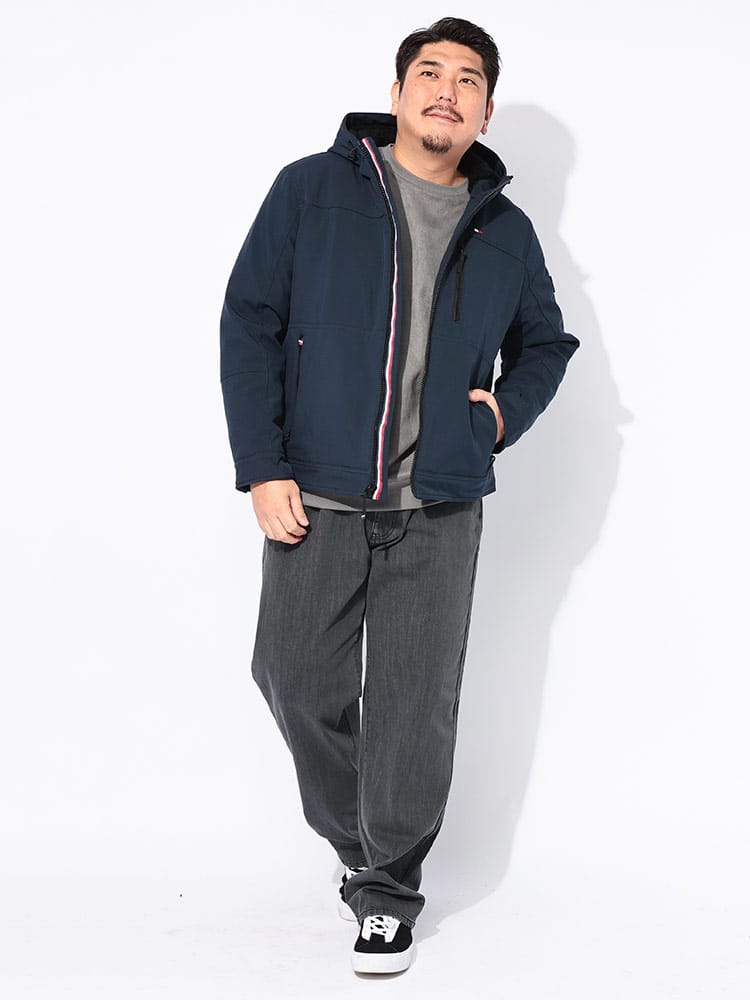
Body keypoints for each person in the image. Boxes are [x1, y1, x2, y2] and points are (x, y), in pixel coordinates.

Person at [219, 16, 579, 975]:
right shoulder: (312, 189)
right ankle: (361, 843)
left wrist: (499, 417)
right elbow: (250, 321)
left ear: (485, 112)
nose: (447, 90)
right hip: (319, 491)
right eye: (430, 71)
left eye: (469, 79)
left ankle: (386, 889)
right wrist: (263, 464)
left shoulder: (504, 230)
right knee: (293, 678)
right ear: (397, 92)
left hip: (440, 503)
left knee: (415, 705)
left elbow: (547, 344)